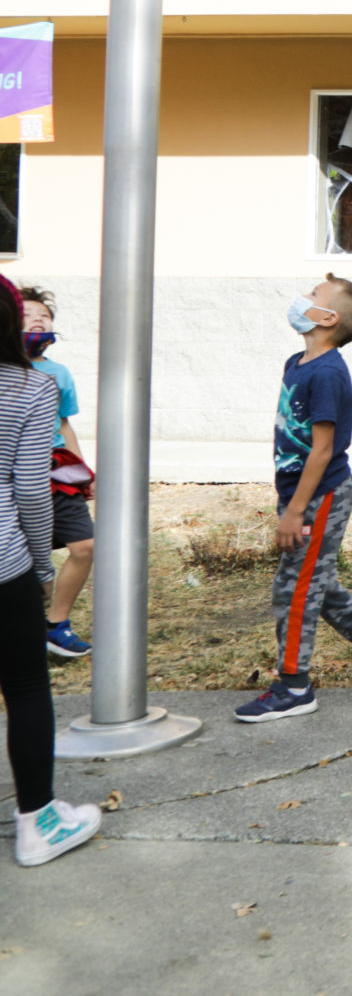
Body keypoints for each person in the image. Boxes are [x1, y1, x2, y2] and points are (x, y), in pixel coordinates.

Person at [235, 275, 352, 722]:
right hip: (299, 492)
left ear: (328, 317)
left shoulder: (327, 374)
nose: (303, 298)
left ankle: (294, 685)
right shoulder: (297, 363)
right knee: (314, 580)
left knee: (294, 589)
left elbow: (322, 449)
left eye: (314, 295)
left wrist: (297, 509)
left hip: (320, 496)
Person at [2, 274, 102, 867]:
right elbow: (33, 497)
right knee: (26, 688)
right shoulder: (29, 388)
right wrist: (40, 565)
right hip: (4, 563)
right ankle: (39, 823)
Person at [22, 287, 92, 660]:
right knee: (25, 562)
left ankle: (56, 626)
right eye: (28, 315)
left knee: (85, 546)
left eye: (44, 317)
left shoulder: (58, 373)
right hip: (17, 476)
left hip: (58, 472)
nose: (38, 321)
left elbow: (63, 425)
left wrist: (82, 473)